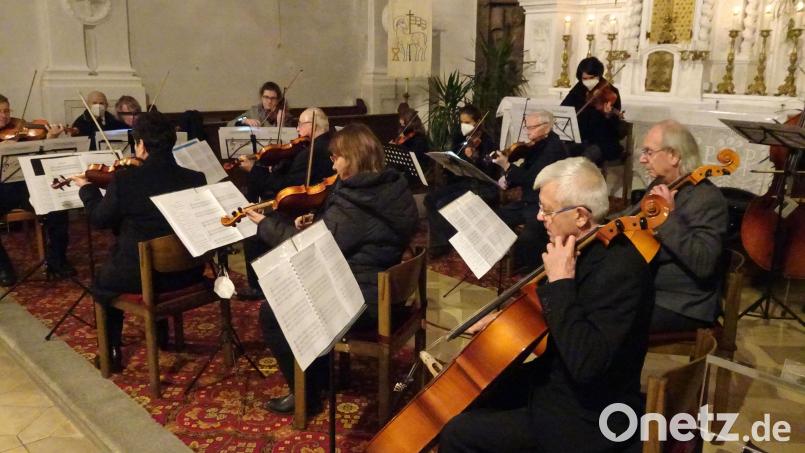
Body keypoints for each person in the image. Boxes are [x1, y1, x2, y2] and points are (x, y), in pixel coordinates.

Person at [439, 157, 654, 453]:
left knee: (457, 434)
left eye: (547, 210)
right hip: (559, 385)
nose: (540, 217)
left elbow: (587, 365)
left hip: (590, 417)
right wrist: (502, 322)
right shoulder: (577, 249)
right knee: (476, 395)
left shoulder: (621, 269)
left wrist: (561, 282)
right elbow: (546, 317)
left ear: (580, 216)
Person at [246, 123, 418, 415]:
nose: (333, 162)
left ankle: (307, 395)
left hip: (364, 300)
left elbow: (315, 247)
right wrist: (315, 222)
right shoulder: (392, 186)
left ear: (353, 158)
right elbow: (352, 235)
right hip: (384, 287)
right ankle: (321, 376)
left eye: (337, 156)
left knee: (273, 311)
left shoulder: (357, 200)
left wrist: (266, 224)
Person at [71, 111, 207, 371]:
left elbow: (100, 219)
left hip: (141, 277)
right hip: (189, 272)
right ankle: (162, 334)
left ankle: (111, 352)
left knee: (102, 282)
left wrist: (87, 189)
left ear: (141, 145)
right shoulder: (195, 178)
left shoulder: (126, 180)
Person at [237, 107, 336, 299]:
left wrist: (255, 171)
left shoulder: (312, 153)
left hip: (304, 206)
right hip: (317, 203)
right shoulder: (322, 145)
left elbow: (285, 187)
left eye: (300, 124)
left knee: (257, 229)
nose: (297, 128)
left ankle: (260, 287)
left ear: (313, 125)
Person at [639, 120, 728, 333]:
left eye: (649, 152)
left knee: (607, 320)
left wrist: (667, 218)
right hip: (647, 288)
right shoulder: (660, 184)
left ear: (674, 156)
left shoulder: (707, 198)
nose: (643, 159)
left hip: (682, 303)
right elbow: (631, 218)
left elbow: (704, 263)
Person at [0, 94, 75, 286]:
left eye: (6, 111)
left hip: (24, 186)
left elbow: (42, 159)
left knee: (57, 206)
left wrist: (49, 139)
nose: (4, 116)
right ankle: (3, 267)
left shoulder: (20, 130)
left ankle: (57, 260)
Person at [492, 110, 568, 273]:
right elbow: (525, 169)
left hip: (543, 205)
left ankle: (534, 270)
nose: (528, 131)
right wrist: (508, 180)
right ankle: (513, 259)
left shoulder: (553, 148)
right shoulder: (537, 144)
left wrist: (506, 166)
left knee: (529, 237)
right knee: (496, 216)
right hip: (528, 200)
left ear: (546, 127)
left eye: (532, 128)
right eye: (527, 127)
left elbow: (533, 180)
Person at [424, 104, 499, 258]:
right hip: (462, 182)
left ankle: (443, 244)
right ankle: (442, 239)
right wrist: (448, 163)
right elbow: (455, 158)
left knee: (442, 203)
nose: (463, 126)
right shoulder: (460, 137)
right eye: (461, 122)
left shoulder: (488, 142)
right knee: (430, 199)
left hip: (480, 186)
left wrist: (475, 158)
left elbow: (489, 171)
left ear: (477, 122)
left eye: (467, 122)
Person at [561, 57, 623, 166]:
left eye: (592, 78)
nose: (588, 81)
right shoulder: (579, 88)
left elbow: (615, 127)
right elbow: (564, 109)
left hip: (603, 141)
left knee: (584, 160)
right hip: (580, 139)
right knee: (559, 152)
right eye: (584, 78)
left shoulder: (611, 92)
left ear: (599, 75)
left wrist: (608, 115)